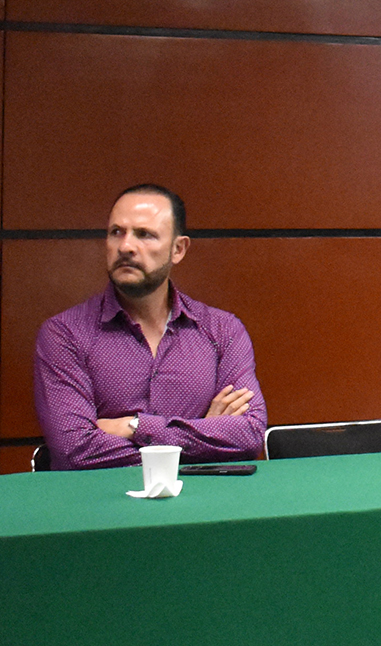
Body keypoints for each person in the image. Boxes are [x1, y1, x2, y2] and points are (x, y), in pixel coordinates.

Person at [34, 185, 267, 470]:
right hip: (102, 498)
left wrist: (134, 426)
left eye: (144, 234)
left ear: (178, 249)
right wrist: (204, 436)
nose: (125, 247)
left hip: (203, 497)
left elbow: (248, 435)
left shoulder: (222, 331)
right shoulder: (65, 334)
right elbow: (75, 450)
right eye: (116, 232)